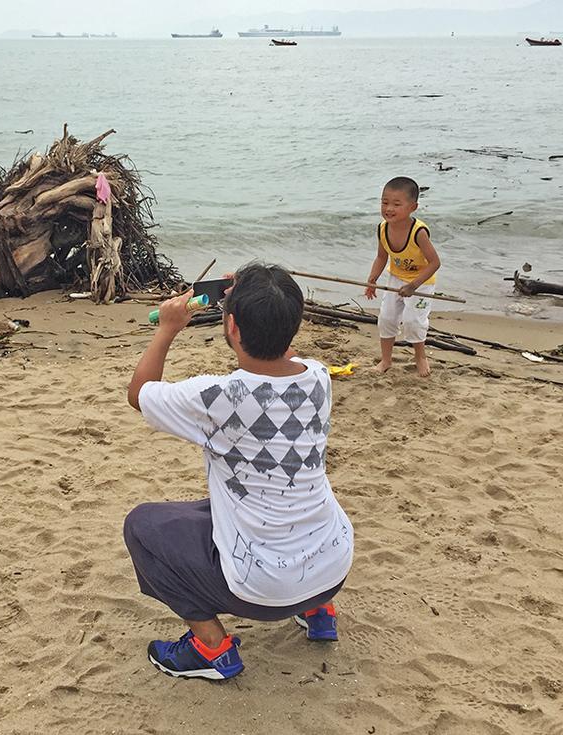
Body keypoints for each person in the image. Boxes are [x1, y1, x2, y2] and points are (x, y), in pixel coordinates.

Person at [123, 263, 354, 681]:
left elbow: (139, 394)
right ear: (294, 325)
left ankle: (209, 647)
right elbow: (280, 351)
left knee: (142, 525)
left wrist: (167, 330)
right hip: (333, 564)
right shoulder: (318, 376)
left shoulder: (217, 397)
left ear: (231, 327)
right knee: (239, 503)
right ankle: (318, 611)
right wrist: (259, 294)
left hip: (262, 589)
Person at [364, 176, 441, 377]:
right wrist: (372, 280)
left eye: (396, 204)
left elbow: (435, 263)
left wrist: (414, 285)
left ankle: (420, 357)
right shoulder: (382, 228)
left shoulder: (419, 232)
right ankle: (386, 360)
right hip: (396, 279)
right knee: (387, 318)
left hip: (420, 282)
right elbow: (382, 257)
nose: (389, 208)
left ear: (412, 207)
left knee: (413, 321)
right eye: (385, 202)